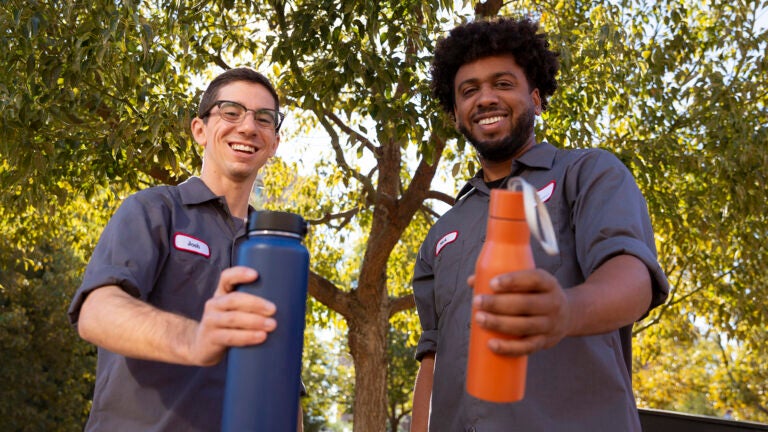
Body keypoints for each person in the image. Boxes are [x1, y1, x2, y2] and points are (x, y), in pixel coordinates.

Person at [410, 18, 669, 431]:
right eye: (469, 90)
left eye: (503, 84)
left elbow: (634, 278)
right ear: (457, 115)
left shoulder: (588, 173)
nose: (486, 98)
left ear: (536, 98)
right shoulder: (442, 232)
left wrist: (566, 309)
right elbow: (433, 356)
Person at [68, 67, 303, 431]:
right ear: (200, 130)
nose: (247, 126)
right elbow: (97, 312)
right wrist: (196, 338)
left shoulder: (276, 249)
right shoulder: (154, 210)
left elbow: (283, 376)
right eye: (231, 111)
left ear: (273, 143)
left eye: (264, 118)